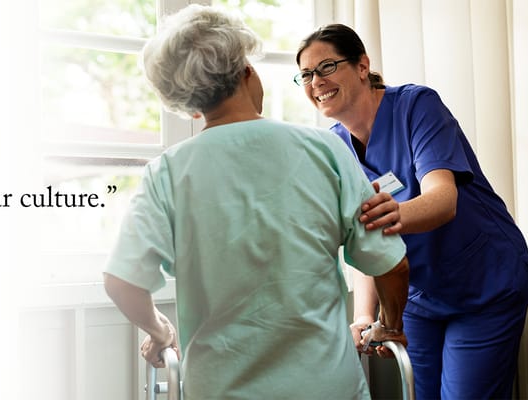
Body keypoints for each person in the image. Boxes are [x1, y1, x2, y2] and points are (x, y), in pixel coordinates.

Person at [103, 6, 410, 399]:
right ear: (247, 70)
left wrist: (161, 331)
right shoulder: (324, 150)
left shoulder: (166, 172)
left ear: (193, 107)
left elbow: (121, 281)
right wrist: (389, 323)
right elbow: (392, 264)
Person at [295, 23, 528, 400]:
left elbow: (443, 199)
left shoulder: (416, 106)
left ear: (362, 65)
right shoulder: (336, 148)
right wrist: (363, 315)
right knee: (417, 394)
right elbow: (365, 246)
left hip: (482, 283)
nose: (316, 81)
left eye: (327, 66)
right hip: (418, 296)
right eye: (306, 74)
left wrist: (381, 219)